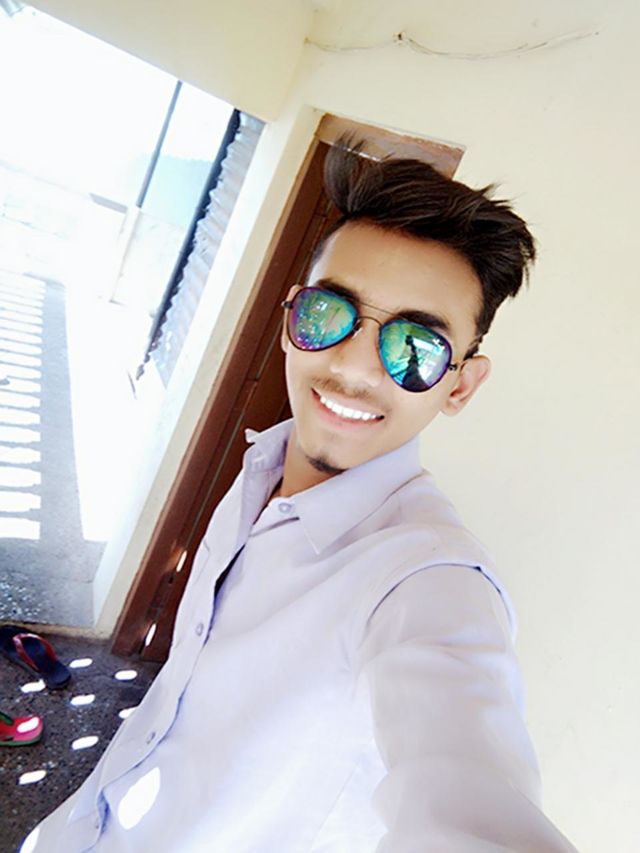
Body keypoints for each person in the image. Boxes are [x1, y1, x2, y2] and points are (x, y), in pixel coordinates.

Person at [24, 141, 577, 851]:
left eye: (415, 347)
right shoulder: (262, 468)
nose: (351, 367)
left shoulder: (428, 582)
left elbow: (470, 789)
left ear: (461, 385)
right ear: (291, 318)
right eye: (328, 313)